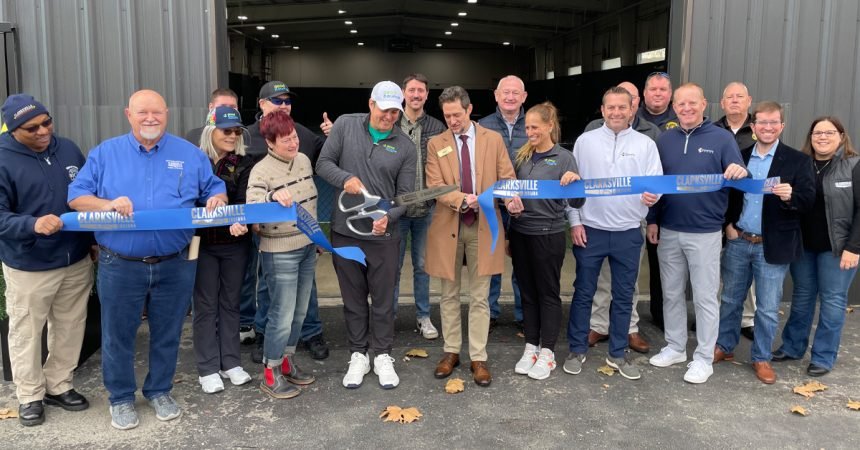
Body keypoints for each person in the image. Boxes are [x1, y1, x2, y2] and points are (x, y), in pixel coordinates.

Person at [68, 89, 227, 430]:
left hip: (176, 262)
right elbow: (77, 197)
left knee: (168, 332)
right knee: (118, 334)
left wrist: (218, 197)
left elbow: (213, 187)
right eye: (143, 113)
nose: (150, 118)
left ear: (167, 113)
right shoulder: (105, 154)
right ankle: (121, 397)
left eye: (157, 112)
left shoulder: (189, 154)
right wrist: (106, 205)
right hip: (120, 264)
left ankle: (159, 390)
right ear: (129, 114)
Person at [0, 94, 94, 426]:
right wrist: (31, 224)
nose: (43, 132)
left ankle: (58, 384)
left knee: (70, 326)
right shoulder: (3, 159)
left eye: (47, 122)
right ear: (13, 130)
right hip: (29, 264)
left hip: (75, 258)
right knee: (27, 331)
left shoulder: (67, 148)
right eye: (32, 128)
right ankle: (29, 395)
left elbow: (86, 195)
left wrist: (93, 241)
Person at [316, 80, 416, 389]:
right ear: (371, 104)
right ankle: (358, 354)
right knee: (354, 300)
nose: (389, 117)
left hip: (384, 238)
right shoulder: (345, 126)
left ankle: (382, 355)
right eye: (384, 110)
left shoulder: (405, 146)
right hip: (345, 235)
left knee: (384, 301)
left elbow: (406, 195)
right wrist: (345, 178)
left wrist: (388, 216)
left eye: (395, 112)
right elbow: (323, 164)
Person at [646, 83, 747, 384]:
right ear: (674, 107)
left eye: (693, 103)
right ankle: (676, 347)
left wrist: (741, 172)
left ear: (704, 104)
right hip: (669, 230)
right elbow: (656, 184)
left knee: (704, 297)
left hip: (705, 232)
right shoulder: (664, 140)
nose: (686, 108)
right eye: (681, 104)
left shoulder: (722, 138)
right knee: (672, 293)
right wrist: (652, 220)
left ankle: (704, 357)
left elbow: (739, 175)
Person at [425, 86, 522, 387]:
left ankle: (478, 356)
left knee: (480, 296)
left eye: (456, 115)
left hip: (485, 226)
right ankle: (451, 351)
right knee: (449, 294)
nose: (452, 121)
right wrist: (462, 199)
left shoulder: (492, 140)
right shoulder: (435, 143)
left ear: (469, 110)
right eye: (446, 116)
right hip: (448, 225)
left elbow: (507, 177)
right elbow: (436, 185)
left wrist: (512, 199)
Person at [564, 87, 663, 381]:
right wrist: (575, 222)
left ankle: (618, 353)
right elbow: (573, 187)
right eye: (611, 107)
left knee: (623, 296)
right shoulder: (585, 141)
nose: (616, 112)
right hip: (591, 230)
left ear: (633, 108)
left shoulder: (646, 144)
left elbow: (655, 183)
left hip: (628, 232)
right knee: (583, 293)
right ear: (602, 109)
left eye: (622, 107)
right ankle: (577, 349)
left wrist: (653, 196)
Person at [714, 101, 815, 384]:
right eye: (762, 123)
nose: (767, 128)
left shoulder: (797, 160)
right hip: (739, 240)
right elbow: (728, 196)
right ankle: (725, 346)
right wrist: (728, 226)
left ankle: (761, 357)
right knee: (731, 300)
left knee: (768, 307)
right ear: (753, 126)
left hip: (773, 244)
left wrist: (790, 196)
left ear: (781, 126)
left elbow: (808, 201)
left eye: (773, 123)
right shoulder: (740, 157)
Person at [243, 81, 331, 362]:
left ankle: (302, 342)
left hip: (305, 239)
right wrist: (267, 198)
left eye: (287, 101)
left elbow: (323, 169)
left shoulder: (303, 150)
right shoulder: (246, 137)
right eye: (276, 100)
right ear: (262, 103)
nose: (283, 105)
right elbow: (250, 195)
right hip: (272, 237)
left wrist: (333, 136)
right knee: (273, 295)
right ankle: (268, 346)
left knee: (302, 301)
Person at [773, 116, 860, 377]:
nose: (822, 137)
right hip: (804, 246)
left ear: (841, 136)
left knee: (833, 301)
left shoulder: (853, 166)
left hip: (838, 249)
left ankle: (823, 356)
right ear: (810, 138)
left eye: (829, 132)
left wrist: (854, 247)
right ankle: (792, 346)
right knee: (802, 297)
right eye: (817, 133)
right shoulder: (801, 163)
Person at [509, 102, 583, 380]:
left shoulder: (564, 158)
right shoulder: (521, 157)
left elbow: (577, 201)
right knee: (527, 293)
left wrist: (574, 182)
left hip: (548, 234)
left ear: (550, 126)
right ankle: (531, 346)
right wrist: (510, 207)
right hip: (520, 232)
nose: (530, 132)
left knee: (547, 294)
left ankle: (548, 352)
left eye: (535, 127)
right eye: (527, 127)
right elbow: (510, 193)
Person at [247, 110, 318, 398]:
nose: (293, 144)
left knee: (300, 312)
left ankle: (287, 361)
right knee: (282, 313)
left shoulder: (303, 160)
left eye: (294, 137)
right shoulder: (261, 171)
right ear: (270, 142)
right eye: (285, 140)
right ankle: (270, 371)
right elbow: (252, 206)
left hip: (307, 247)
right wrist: (271, 198)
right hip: (280, 252)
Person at [192, 106, 254, 394]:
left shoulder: (244, 163)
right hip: (202, 245)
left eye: (236, 131)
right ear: (210, 131)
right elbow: (187, 201)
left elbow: (245, 200)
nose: (231, 136)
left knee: (231, 303)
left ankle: (231, 363)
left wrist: (239, 219)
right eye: (225, 130)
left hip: (235, 245)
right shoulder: (194, 161)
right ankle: (207, 368)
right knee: (205, 305)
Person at [393, 73, 446, 340]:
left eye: (421, 91)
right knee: (392, 265)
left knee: (423, 266)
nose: (416, 95)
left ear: (427, 95)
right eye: (411, 90)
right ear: (404, 93)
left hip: (427, 210)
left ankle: (423, 317)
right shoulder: (391, 123)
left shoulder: (437, 127)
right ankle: (387, 317)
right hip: (397, 211)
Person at [478, 75, 527, 331]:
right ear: (496, 95)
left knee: (522, 262)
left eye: (515, 92)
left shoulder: (534, 125)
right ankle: (490, 312)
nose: (510, 97)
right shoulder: (482, 126)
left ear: (524, 97)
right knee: (492, 261)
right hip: (493, 206)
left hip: (524, 206)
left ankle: (523, 314)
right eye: (505, 92)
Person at [714, 81, 757, 340]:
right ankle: (720, 314)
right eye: (729, 97)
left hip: (745, 208)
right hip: (717, 204)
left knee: (745, 265)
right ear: (722, 103)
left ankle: (747, 319)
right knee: (718, 266)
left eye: (739, 96)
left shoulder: (758, 129)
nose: (734, 101)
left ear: (748, 100)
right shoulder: (713, 129)